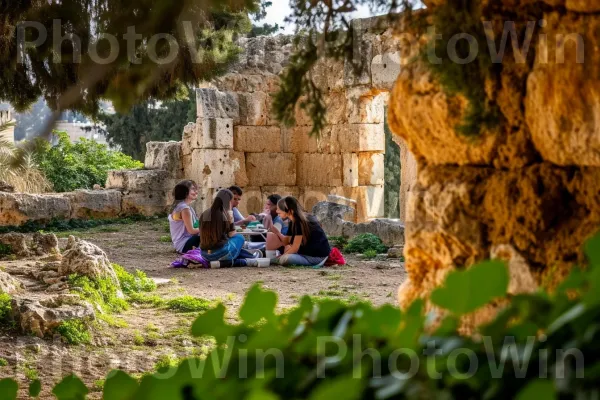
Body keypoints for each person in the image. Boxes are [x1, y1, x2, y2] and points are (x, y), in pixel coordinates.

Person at [266, 196, 330, 267]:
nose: (277, 211)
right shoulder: (292, 221)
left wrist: (281, 257)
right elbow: (286, 241)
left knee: (286, 259)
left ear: (289, 211)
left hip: (316, 258)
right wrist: (276, 231)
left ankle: (271, 260)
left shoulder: (299, 222)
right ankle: (271, 260)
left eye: (279, 209)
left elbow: (295, 248)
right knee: (283, 253)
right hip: (304, 254)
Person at [199, 189, 246, 262]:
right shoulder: (225, 215)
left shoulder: (204, 213)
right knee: (240, 237)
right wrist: (231, 220)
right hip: (220, 253)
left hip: (204, 254)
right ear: (229, 201)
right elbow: (232, 234)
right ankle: (244, 259)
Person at [168, 180, 200, 253]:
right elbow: (192, 231)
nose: (196, 192)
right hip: (184, 244)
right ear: (185, 192)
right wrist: (208, 229)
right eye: (193, 189)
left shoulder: (182, 206)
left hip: (180, 244)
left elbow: (195, 226)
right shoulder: (184, 209)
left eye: (196, 189)